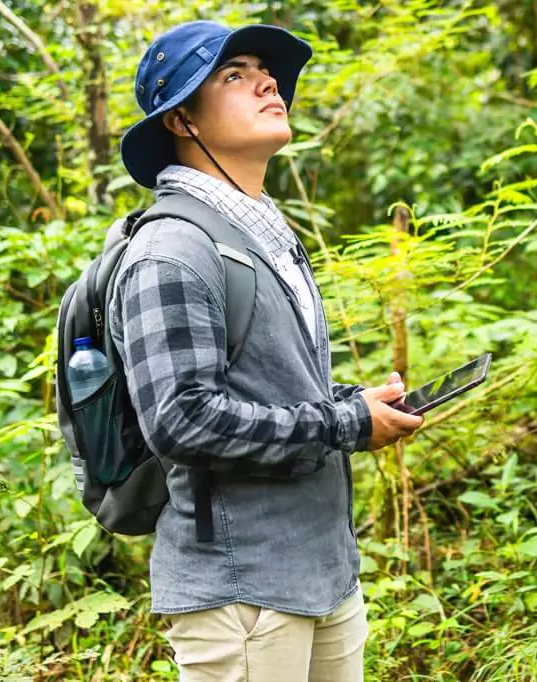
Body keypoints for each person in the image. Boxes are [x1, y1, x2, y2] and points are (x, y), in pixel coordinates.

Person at [113, 20, 424, 681]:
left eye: (265, 69)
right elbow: (182, 419)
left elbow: (268, 390)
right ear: (182, 121)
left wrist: (354, 404)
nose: (266, 82)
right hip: (242, 593)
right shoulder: (172, 251)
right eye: (232, 75)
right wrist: (345, 424)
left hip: (322, 575)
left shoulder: (263, 236)